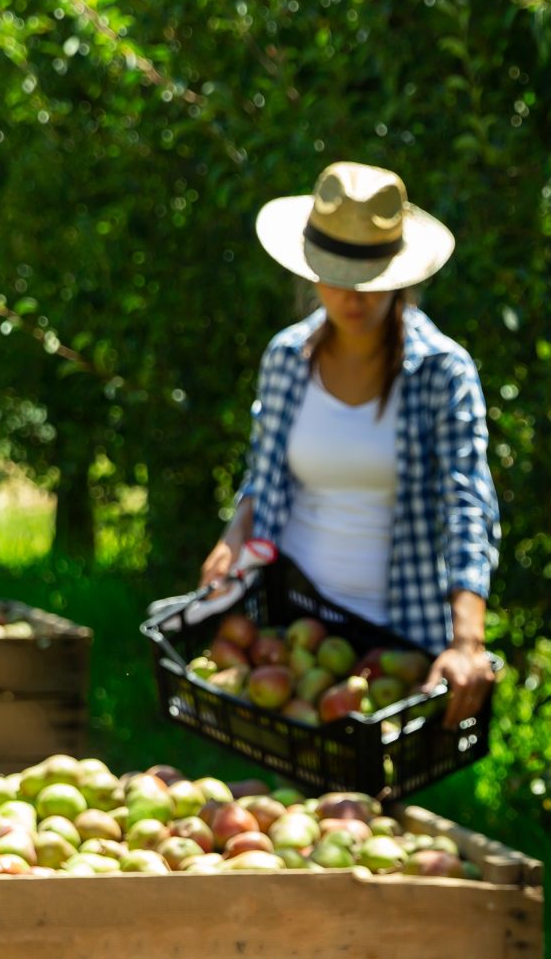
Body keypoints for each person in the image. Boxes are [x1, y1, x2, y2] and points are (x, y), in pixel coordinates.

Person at [205, 160, 500, 725]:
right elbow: (263, 477)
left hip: (397, 635)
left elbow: (468, 504)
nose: (352, 295)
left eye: (369, 279)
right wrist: (233, 534)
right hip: (292, 628)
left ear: (400, 275)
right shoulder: (287, 359)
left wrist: (468, 638)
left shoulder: (442, 371)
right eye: (335, 274)